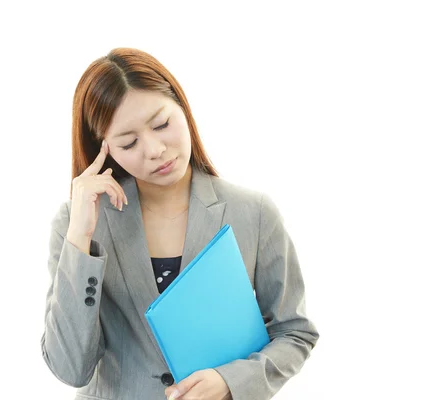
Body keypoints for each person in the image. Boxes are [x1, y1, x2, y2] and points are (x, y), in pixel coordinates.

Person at [40, 47, 319, 400]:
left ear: (183, 108)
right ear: (104, 149)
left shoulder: (254, 213)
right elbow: (70, 368)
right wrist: (80, 237)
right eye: (129, 143)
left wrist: (230, 382)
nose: (155, 149)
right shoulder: (76, 224)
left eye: (161, 124)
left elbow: (294, 332)